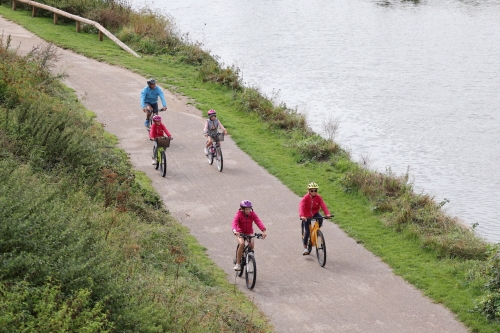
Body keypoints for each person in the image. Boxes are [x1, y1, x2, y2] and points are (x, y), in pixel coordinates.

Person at [232, 200, 267, 271]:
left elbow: (258, 221)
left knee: (251, 245)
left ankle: (249, 259)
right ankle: (238, 264)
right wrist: (235, 231)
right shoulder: (238, 214)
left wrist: (264, 231)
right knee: (242, 244)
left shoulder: (252, 214)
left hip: (248, 232)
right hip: (240, 232)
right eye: (246, 209)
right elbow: (234, 223)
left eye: (249, 209)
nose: (248, 211)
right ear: (242, 209)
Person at [299, 182, 331, 255]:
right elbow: (301, 206)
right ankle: (305, 248)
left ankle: (317, 231)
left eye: (315, 190)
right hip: (306, 215)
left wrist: (327, 214)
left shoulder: (319, 198)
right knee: (307, 231)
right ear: (309, 191)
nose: (314, 192)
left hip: (314, 213)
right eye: (312, 191)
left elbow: (323, 205)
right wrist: (302, 215)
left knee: (320, 218)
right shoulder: (305, 198)